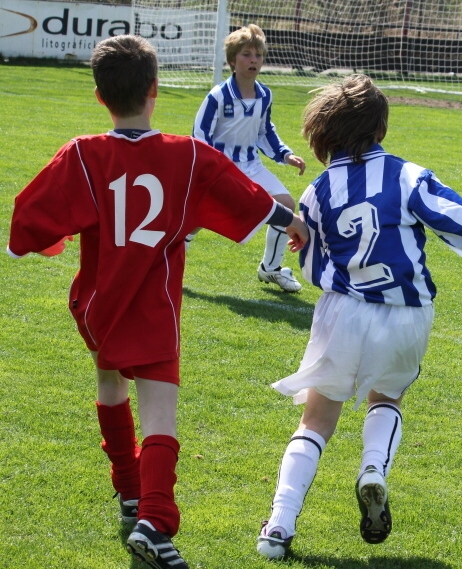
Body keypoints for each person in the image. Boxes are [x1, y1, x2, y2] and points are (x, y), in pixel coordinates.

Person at [6, 35, 309, 569]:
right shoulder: (187, 155)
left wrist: (40, 241)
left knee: (109, 381)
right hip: (155, 307)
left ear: (101, 98)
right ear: (155, 89)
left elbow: (28, 217)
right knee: (159, 409)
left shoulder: (81, 152)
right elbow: (247, 198)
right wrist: (294, 222)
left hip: (99, 305)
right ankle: (155, 517)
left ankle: (128, 488)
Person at [255, 74, 462, 560]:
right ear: (380, 129)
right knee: (387, 396)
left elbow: (310, 261)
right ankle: (374, 469)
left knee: (316, 419)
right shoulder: (406, 175)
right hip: (407, 314)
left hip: (342, 312)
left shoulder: (318, 189)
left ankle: (279, 526)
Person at [193, 24, 307, 293]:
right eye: (246, 54)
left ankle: (270, 269)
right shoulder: (218, 96)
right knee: (196, 218)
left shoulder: (265, 94)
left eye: (258, 54)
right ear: (233, 60)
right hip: (221, 168)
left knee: (286, 207)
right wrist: (211, 169)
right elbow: (200, 135)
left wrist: (286, 154)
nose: (253, 59)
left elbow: (265, 132)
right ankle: (167, 262)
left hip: (251, 166)